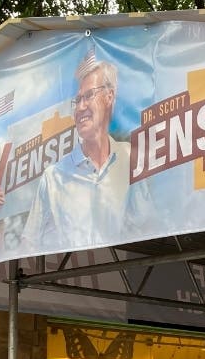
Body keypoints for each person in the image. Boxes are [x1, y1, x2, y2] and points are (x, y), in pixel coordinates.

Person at [20, 54, 138, 252]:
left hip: (126, 275)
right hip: (70, 278)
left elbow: (149, 224)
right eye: (78, 99)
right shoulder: (54, 177)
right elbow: (28, 244)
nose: (81, 107)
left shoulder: (130, 158)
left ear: (110, 96)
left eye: (89, 96)